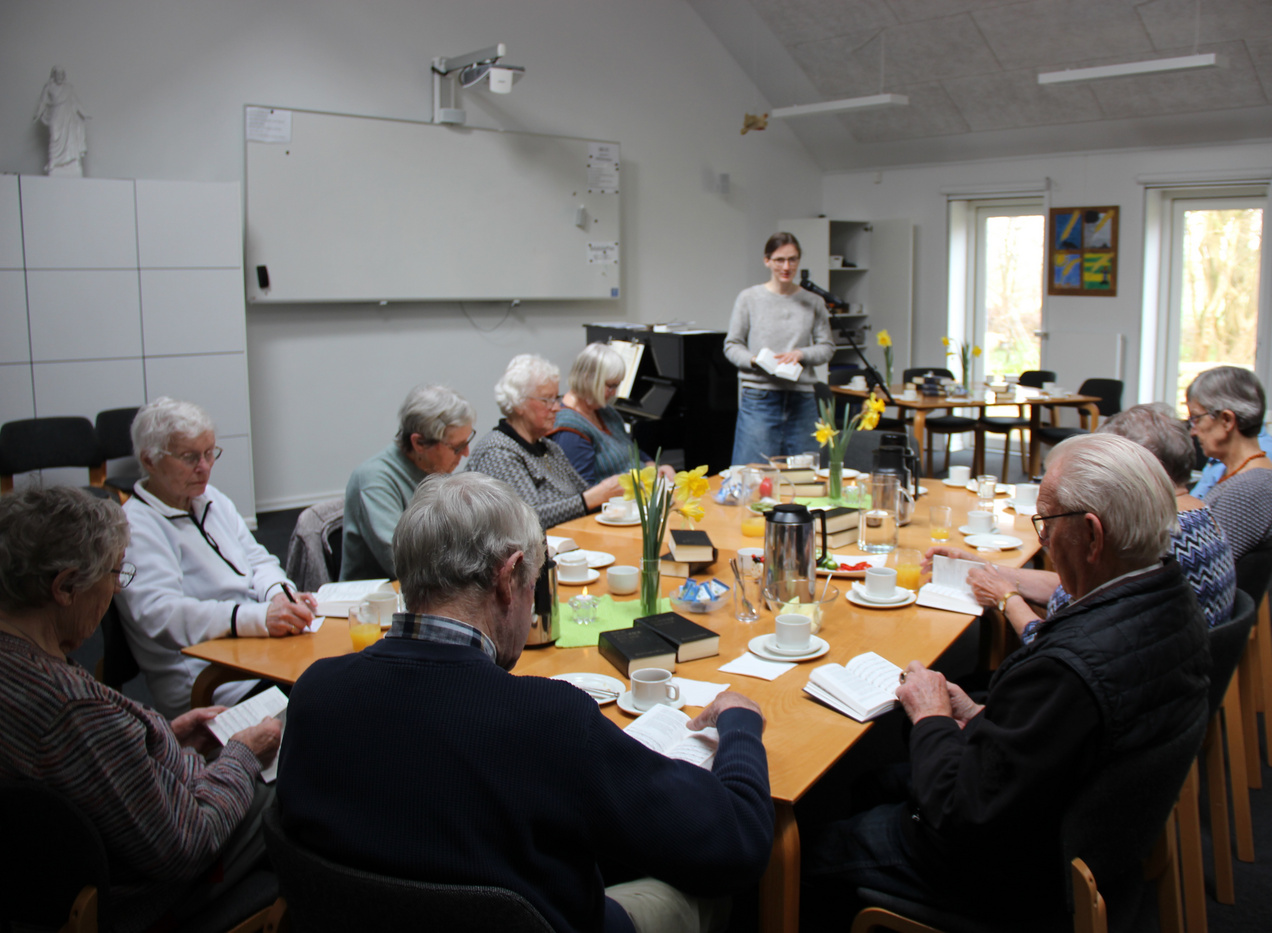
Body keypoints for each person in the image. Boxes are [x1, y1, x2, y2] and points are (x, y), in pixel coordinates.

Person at [277, 472, 774, 933]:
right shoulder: (547, 719)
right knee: (700, 892)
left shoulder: (315, 690)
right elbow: (737, 843)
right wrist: (740, 725)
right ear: (508, 577)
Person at [804, 434, 1211, 925]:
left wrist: (931, 714)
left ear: (1092, 535)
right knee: (874, 781)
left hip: (1017, 878)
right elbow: (1057, 739)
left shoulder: (1070, 668)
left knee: (809, 847)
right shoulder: (1171, 598)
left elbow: (959, 813)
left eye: (1046, 523)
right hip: (1081, 834)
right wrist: (977, 714)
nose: (1042, 540)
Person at [0, 487, 282, 933]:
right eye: (114, 574)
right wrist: (243, 754)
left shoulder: (19, 663)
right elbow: (188, 843)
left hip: (50, 879)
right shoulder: (71, 709)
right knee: (295, 785)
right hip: (150, 891)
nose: (115, 589)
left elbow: (94, 765)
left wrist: (165, 736)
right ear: (65, 587)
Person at [932, 403, 1237, 635]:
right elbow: (1078, 590)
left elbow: (1065, 650)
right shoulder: (1196, 514)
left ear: (1136, 467)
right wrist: (988, 570)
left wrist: (1007, 600)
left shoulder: (1161, 536)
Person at [116, 397, 317, 718]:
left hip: (258, 651)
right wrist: (256, 618)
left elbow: (258, 559)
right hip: (212, 680)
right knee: (331, 699)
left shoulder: (209, 498)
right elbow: (161, 616)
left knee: (343, 674)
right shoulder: (135, 527)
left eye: (210, 453)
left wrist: (279, 596)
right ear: (149, 460)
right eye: (189, 457)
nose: (205, 466)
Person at [464, 353, 624, 527]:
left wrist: (606, 492)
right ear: (519, 404)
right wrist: (589, 499)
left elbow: (584, 492)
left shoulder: (548, 447)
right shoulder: (498, 452)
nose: (556, 407)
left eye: (556, 398)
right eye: (547, 400)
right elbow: (527, 520)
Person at [341, 383, 475, 580]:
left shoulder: (438, 470)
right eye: (457, 447)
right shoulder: (374, 480)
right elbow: (403, 563)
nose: (466, 453)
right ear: (419, 443)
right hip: (377, 603)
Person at [724, 232, 836, 467]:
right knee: (751, 474)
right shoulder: (749, 298)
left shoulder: (813, 301)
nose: (786, 266)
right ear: (767, 261)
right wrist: (755, 360)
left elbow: (827, 347)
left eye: (792, 260)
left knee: (805, 473)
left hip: (802, 397)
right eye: (779, 260)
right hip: (759, 397)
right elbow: (732, 345)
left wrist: (801, 354)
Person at [1186, 366, 1272, 560]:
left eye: (1196, 418)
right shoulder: (1242, 474)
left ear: (1226, 420)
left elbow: (1204, 566)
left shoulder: (1251, 490)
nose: (1193, 431)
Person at [549, 342, 675, 486]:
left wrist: (655, 467)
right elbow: (584, 493)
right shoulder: (569, 432)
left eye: (617, 385)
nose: (614, 393)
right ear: (586, 379)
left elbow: (628, 450)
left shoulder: (605, 411)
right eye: (611, 386)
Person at [34, 65, 89, 175]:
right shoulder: (48, 87)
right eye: (58, 74)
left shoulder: (68, 88)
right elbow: (43, 102)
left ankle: (72, 160)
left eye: (62, 74)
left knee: (70, 139)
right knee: (54, 137)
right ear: (54, 75)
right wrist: (37, 114)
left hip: (67, 117)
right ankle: (53, 162)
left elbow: (76, 101)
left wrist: (84, 113)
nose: (60, 76)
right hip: (55, 116)